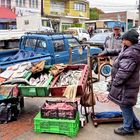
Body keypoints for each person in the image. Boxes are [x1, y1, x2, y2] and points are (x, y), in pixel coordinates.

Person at [107, 29, 140, 136]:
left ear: (131, 41)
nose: (123, 42)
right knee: (126, 105)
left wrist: (114, 83)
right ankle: (136, 124)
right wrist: (107, 52)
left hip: (126, 85)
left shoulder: (132, 53)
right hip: (127, 84)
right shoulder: (129, 48)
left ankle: (127, 128)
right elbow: (119, 51)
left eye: (125, 40)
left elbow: (124, 72)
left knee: (125, 105)